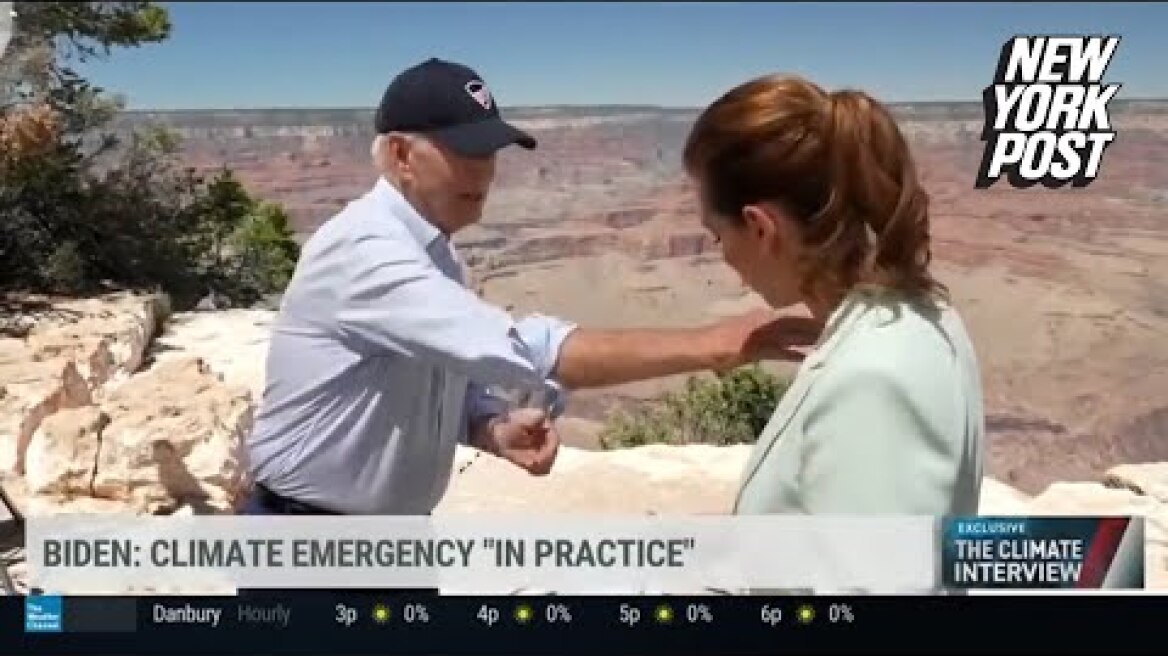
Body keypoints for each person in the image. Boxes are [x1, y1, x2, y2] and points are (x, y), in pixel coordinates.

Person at [240, 59, 817, 516]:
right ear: (400, 155)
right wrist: (712, 345)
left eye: (490, 151)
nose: (485, 172)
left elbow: (444, 373)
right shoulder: (365, 251)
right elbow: (523, 348)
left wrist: (488, 425)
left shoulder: (433, 250)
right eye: (466, 152)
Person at [681, 74, 985, 516]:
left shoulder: (872, 380)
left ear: (762, 229)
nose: (722, 257)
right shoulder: (922, 313)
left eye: (717, 236)